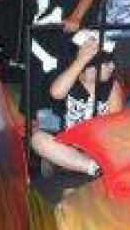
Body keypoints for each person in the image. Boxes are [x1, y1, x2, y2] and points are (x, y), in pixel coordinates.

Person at [30, 36, 123, 176]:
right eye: (107, 63)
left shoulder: (111, 86)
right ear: (89, 66)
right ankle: (92, 168)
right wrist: (81, 60)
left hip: (98, 148)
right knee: (38, 140)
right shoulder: (70, 80)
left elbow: (114, 124)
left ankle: (92, 166)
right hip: (68, 148)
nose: (113, 67)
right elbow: (56, 93)